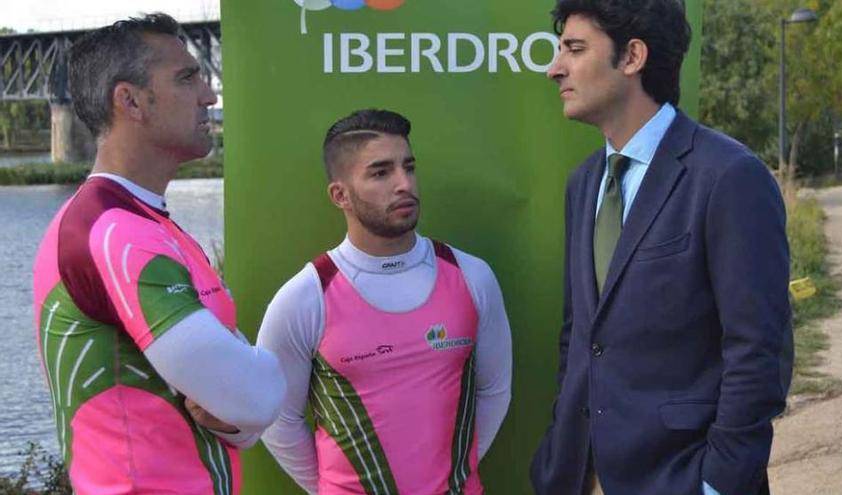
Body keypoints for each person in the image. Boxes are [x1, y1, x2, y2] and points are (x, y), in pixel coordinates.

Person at [529, 1, 793, 494]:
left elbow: (759, 349)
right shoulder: (583, 184)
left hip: (682, 477)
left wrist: (718, 482)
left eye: (574, 48)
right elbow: (581, 336)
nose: (554, 68)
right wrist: (558, 456)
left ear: (632, 57)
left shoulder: (728, 177)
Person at [32, 13, 285, 494]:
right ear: (130, 101)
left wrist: (241, 404)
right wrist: (251, 389)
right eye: (187, 78)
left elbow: (242, 416)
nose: (210, 97)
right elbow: (255, 397)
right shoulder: (113, 233)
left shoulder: (150, 225)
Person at [255, 109, 513, 494]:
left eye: (408, 167)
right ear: (340, 194)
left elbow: (495, 392)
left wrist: (455, 477)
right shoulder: (305, 297)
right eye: (381, 172)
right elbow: (278, 419)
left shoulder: (472, 275)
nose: (404, 184)